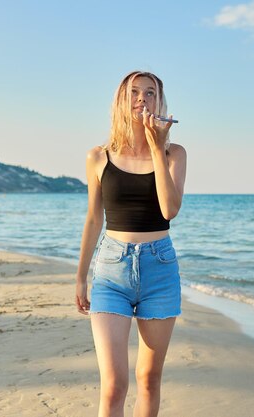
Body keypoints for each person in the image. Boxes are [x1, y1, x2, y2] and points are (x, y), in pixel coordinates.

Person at [75, 70, 187, 417]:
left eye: (150, 93)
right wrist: (80, 277)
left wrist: (156, 145)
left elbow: (169, 209)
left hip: (160, 270)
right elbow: (94, 219)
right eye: (134, 92)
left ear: (159, 101)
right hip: (111, 270)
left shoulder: (174, 155)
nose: (142, 98)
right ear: (122, 101)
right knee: (114, 385)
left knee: (149, 379)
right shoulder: (99, 156)